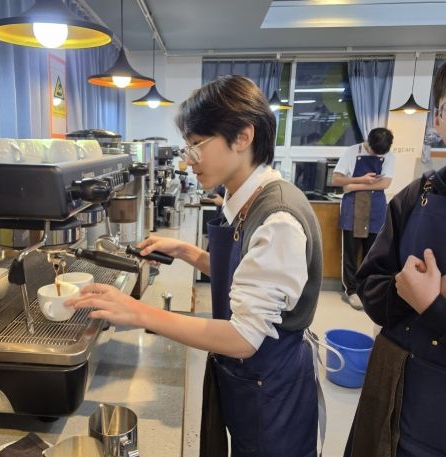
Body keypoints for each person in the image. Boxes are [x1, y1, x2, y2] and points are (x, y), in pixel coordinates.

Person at [66, 75, 323, 456]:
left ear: (242, 137)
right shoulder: (247, 198)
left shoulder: (278, 219)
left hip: (272, 394)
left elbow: (243, 337)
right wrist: (188, 252)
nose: (188, 160)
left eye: (197, 144)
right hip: (252, 383)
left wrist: (138, 312)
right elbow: (246, 277)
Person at [344, 61, 446, 456]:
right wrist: (404, 290)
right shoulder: (416, 196)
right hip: (394, 390)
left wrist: (432, 305)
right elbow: (372, 284)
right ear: (438, 118)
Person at [331, 128, 395, 310]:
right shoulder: (352, 152)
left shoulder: (389, 155)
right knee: (350, 253)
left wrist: (353, 185)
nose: (377, 155)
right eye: (375, 151)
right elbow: (336, 179)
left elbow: (385, 183)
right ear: (369, 143)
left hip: (376, 208)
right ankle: (351, 290)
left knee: (372, 253)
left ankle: (367, 290)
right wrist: (362, 180)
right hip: (353, 207)